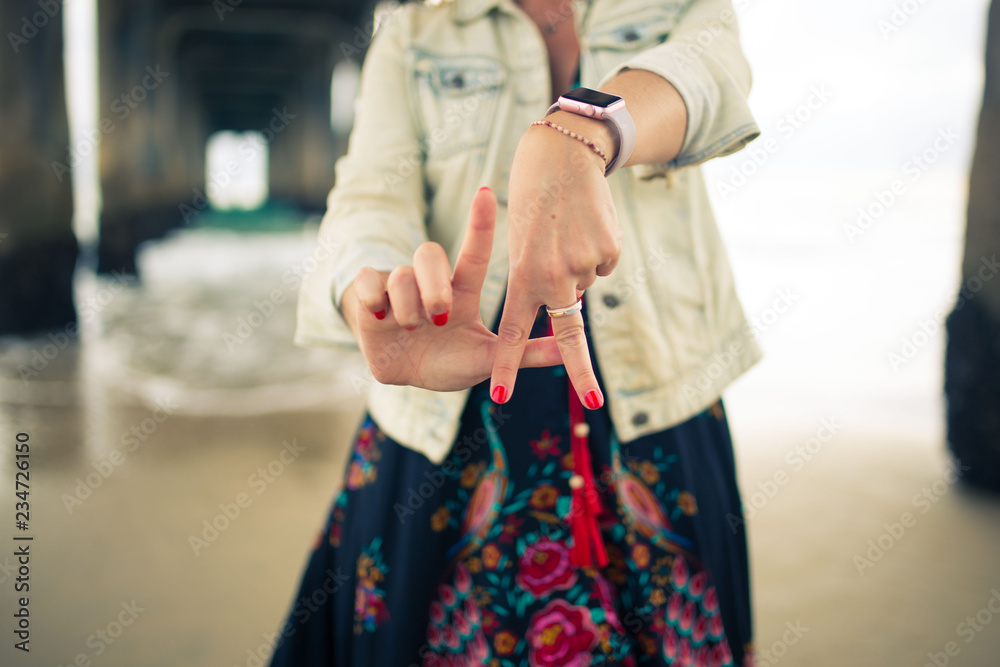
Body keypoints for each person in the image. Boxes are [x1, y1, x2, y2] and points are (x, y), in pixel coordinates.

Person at [273, 0, 762, 664]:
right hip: (443, 416)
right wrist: (381, 287)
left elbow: (714, 70)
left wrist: (584, 129)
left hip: (660, 405)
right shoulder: (415, 33)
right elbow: (367, 198)